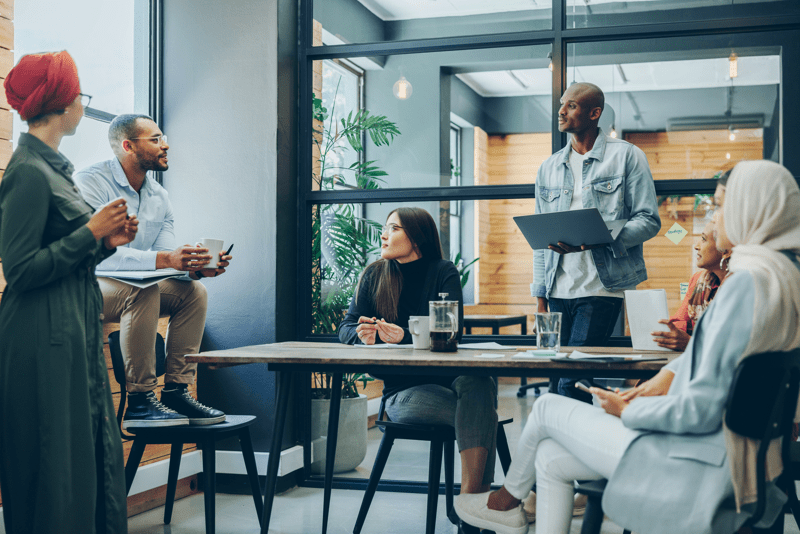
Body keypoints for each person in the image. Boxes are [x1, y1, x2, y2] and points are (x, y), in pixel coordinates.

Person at [454, 160, 800, 534]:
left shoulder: (744, 285)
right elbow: (714, 363)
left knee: (547, 407)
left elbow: (699, 410)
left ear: (751, 207)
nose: (712, 219)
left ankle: (503, 503)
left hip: (697, 457)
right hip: (737, 455)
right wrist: (653, 387)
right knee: (552, 459)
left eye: (719, 206)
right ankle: (508, 506)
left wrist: (626, 411)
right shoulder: (782, 278)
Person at [0, 51, 136, 533]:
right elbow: (18, 269)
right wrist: (91, 231)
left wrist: (104, 242)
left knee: (83, 452)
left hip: (70, 327)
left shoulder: (56, 169)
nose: (83, 104)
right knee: (54, 457)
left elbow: (64, 256)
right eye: (80, 95)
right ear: (62, 102)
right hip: (41, 337)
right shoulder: (27, 174)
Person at [73, 114, 231, 428]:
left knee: (193, 293)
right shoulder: (90, 182)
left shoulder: (159, 197)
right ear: (128, 146)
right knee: (141, 290)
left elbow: (162, 259)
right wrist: (166, 260)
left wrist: (194, 269)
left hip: (129, 285)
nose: (165, 145)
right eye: (155, 139)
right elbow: (98, 255)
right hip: (84, 284)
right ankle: (140, 401)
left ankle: (175, 390)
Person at [339, 207, 498, 495]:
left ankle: (470, 503)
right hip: (402, 392)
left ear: (416, 238)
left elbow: (452, 330)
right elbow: (346, 327)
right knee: (483, 415)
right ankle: (473, 507)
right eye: (385, 229)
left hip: (449, 380)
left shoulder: (443, 271)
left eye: (393, 228)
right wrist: (364, 336)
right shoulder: (374, 275)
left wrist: (407, 338)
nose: (384, 235)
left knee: (479, 384)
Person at [532, 82, 661, 403]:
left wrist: (596, 241)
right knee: (558, 382)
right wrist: (540, 296)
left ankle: (578, 447)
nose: (561, 111)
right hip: (557, 290)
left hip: (602, 288)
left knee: (571, 382)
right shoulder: (548, 167)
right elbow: (540, 240)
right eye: (562, 104)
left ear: (595, 113)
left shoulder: (627, 157)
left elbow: (649, 220)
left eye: (571, 105)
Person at [651, 219, 731, 352]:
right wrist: (672, 333)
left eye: (704, 239)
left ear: (726, 251)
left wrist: (690, 343)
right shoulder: (698, 280)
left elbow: (731, 345)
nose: (696, 246)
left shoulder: (740, 287)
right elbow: (679, 322)